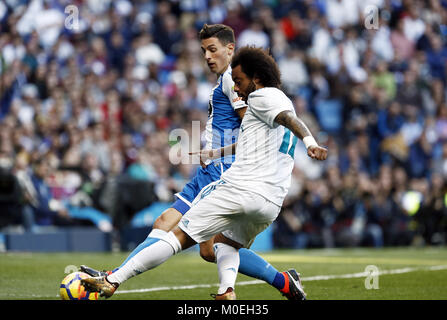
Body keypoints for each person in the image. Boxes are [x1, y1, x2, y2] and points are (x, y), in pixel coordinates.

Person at [81, 46, 328, 300]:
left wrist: (310, 143)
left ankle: (112, 280)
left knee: (176, 236)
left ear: (256, 79)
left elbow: (290, 119)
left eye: (240, 82)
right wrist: (215, 153)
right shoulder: (278, 103)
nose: (236, 88)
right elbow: (252, 138)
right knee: (223, 245)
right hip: (270, 203)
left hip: (240, 189)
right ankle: (227, 291)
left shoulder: (262, 97)